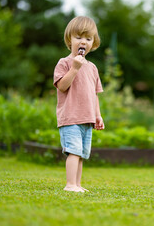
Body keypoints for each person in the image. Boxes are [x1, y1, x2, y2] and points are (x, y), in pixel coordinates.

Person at [53, 16, 105, 193]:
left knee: (81, 153)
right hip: (71, 117)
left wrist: (97, 115)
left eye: (88, 39)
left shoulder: (92, 68)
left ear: (93, 43)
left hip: (87, 118)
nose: (83, 41)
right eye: (78, 37)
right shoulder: (65, 63)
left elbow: (95, 94)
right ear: (70, 40)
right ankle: (70, 185)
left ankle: (77, 184)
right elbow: (61, 86)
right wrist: (74, 68)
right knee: (73, 151)